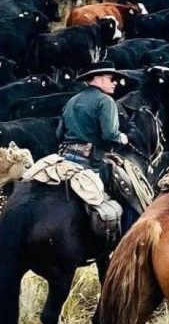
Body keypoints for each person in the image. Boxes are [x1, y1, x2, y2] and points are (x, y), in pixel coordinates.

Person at [58, 61, 136, 229]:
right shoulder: (106, 101)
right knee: (131, 194)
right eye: (112, 78)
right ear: (99, 79)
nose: (115, 83)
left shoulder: (72, 100)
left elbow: (58, 134)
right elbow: (110, 135)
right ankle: (125, 234)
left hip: (65, 158)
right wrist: (122, 138)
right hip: (92, 162)